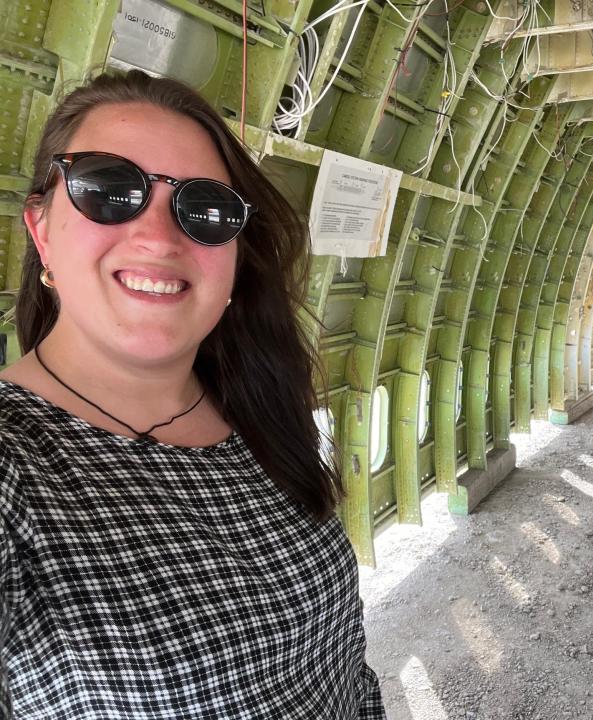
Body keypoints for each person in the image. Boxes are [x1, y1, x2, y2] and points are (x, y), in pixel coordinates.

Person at [0, 70, 386, 718]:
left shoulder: (257, 411)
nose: (158, 237)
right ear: (41, 232)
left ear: (234, 257)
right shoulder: (17, 463)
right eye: (106, 188)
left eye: (205, 209)